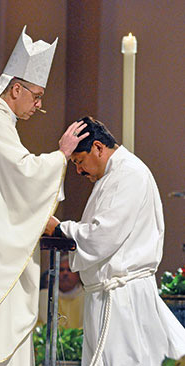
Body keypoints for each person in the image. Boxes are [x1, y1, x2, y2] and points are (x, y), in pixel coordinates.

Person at [0, 26, 88, 365]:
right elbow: (23, 173)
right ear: (15, 88)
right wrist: (62, 155)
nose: (39, 105)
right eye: (36, 96)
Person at [45, 116, 185, 366]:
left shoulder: (128, 173)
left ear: (98, 147)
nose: (78, 171)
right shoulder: (112, 175)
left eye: (79, 161)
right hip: (108, 296)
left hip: (122, 299)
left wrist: (59, 229)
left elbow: (102, 236)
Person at [38, 254, 84, 329]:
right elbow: (43, 324)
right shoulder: (47, 295)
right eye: (61, 270)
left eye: (70, 270)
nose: (65, 273)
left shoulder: (86, 297)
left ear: (78, 275)